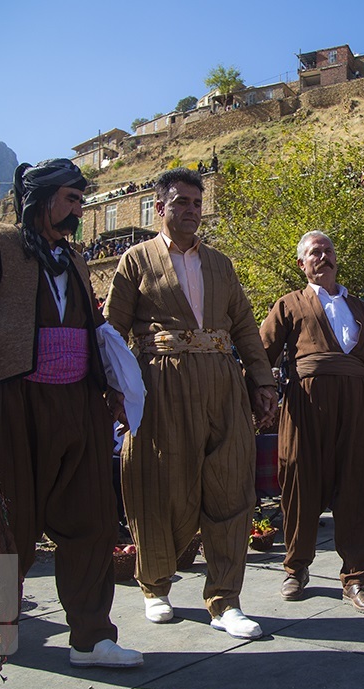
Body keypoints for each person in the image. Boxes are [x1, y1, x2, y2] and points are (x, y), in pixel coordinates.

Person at [0, 158, 144, 667]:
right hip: (12, 406)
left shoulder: (75, 260)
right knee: (5, 520)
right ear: (40, 198)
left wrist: (112, 385)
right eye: (71, 199)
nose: (79, 211)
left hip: (77, 405)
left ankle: (91, 638)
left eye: (81, 201)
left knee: (91, 519)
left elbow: (93, 330)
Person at [104, 168, 277, 638]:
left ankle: (225, 600)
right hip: (161, 382)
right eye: (181, 202)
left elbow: (244, 326)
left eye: (197, 203)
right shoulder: (136, 260)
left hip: (223, 381)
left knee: (231, 487)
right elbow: (112, 328)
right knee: (160, 485)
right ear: (159, 208)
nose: (191, 211)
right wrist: (115, 389)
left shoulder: (220, 263)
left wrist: (262, 381)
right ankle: (155, 586)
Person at [258, 231, 364, 613]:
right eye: (315, 252)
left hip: (357, 405)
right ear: (302, 263)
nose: (323, 257)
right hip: (306, 406)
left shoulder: (359, 307)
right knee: (300, 483)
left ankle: (357, 578)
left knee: (360, 486)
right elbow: (261, 352)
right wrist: (261, 392)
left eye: (328, 250)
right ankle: (296, 567)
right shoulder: (289, 304)